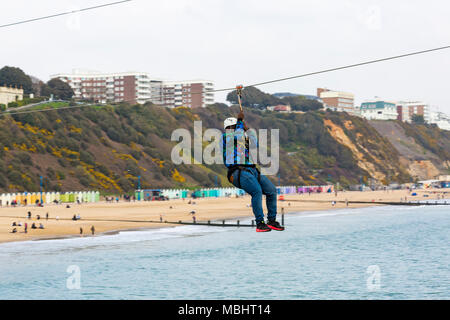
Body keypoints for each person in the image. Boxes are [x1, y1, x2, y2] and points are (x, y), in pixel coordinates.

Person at [222, 110, 284, 232]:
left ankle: (271, 220)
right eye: (234, 127)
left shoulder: (240, 137)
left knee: (271, 191)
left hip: (251, 170)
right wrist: (240, 121)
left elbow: (255, 144)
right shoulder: (226, 137)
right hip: (237, 172)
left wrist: (248, 129)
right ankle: (259, 223)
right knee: (257, 192)